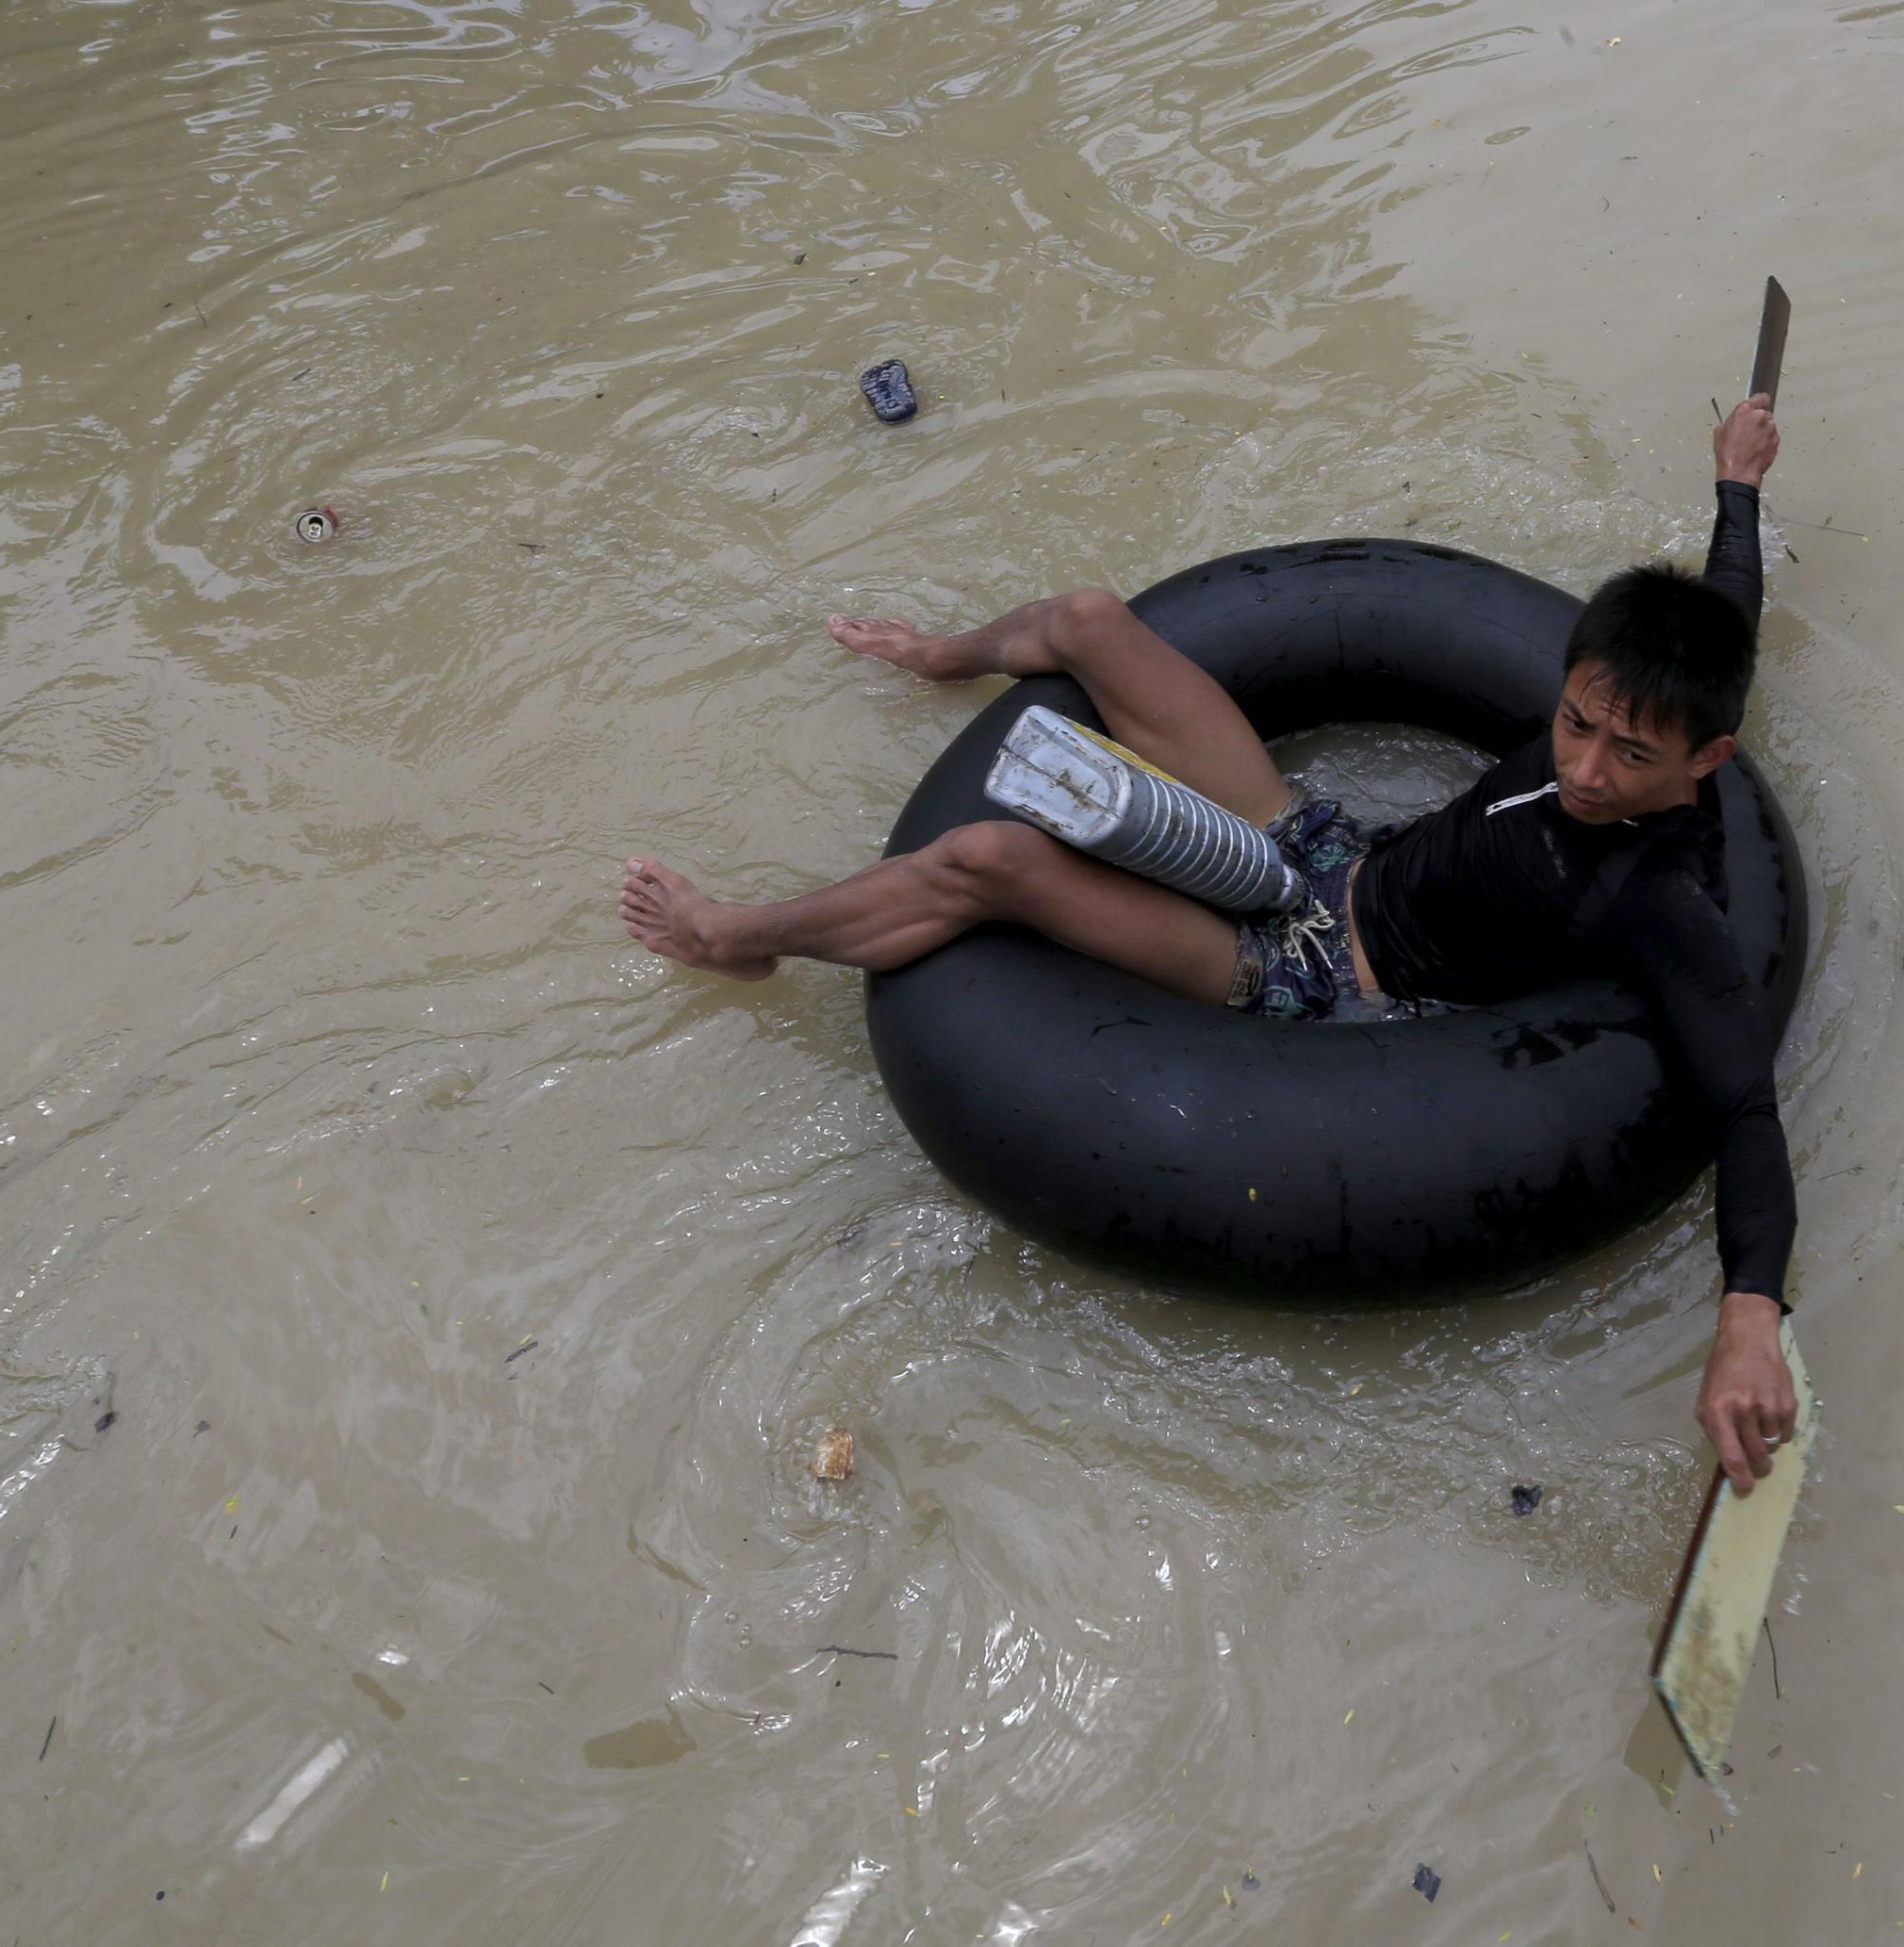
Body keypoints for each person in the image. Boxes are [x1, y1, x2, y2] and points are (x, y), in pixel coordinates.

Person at [622, 398, 1800, 1492]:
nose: (1588, 769)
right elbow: (1722, 612)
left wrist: (1750, 1310)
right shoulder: (1642, 692)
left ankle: (739, 935)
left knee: (995, 862)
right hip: (1340, 853)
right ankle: (941, 655)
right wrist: (1736, 483)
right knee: (1088, 621)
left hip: (1322, 975)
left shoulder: (1663, 895)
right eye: (1576, 725)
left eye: (1630, 757)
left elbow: (1744, 1101)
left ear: (1704, 758)